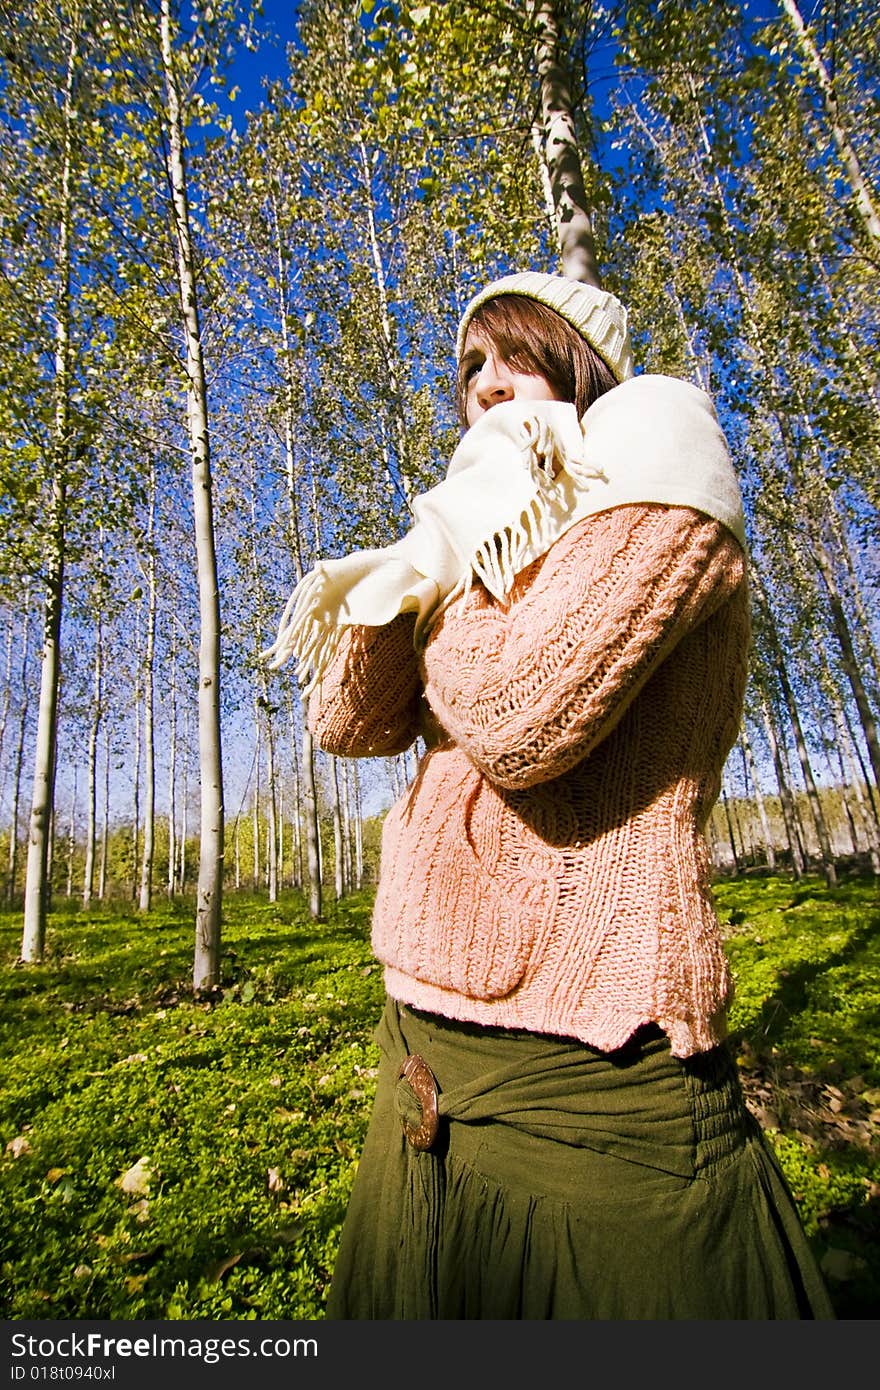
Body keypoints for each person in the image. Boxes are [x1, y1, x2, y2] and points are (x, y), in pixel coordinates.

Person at [264, 271, 835, 1320]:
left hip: (594, 1071)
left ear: (579, 362)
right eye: (467, 367)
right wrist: (432, 550)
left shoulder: (661, 462)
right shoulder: (487, 525)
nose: (483, 385)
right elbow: (343, 720)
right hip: (420, 1045)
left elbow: (523, 717)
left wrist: (443, 593)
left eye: (511, 352)